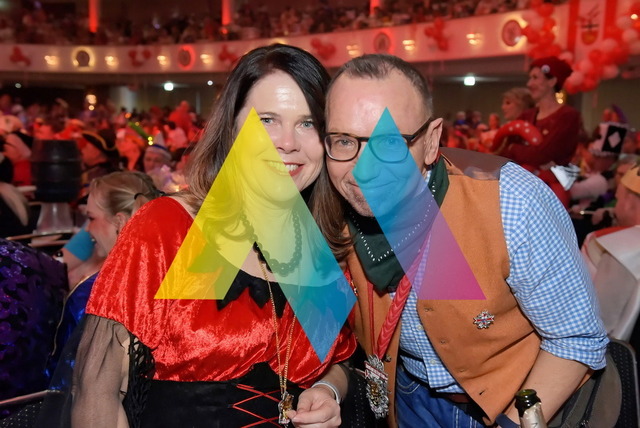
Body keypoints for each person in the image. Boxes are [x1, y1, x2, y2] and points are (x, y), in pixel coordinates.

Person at [67, 44, 354, 428]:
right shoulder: (170, 226)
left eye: (308, 123)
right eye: (267, 120)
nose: (287, 142)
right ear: (232, 128)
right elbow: (97, 392)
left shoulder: (316, 242)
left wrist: (329, 391)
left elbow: (338, 361)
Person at [322, 54, 608, 427]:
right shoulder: (335, 211)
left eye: (389, 143)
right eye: (344, 140)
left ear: (431, 141)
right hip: (404, 397)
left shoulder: (509, 201)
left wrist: (513, 424)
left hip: (510, 404)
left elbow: (576, 339)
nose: (364, 170)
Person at [46, 171, 160, 378]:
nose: (87, 230)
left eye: (91, 218)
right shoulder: (169, 272)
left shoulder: (94, 293)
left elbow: (64, 374)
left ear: (119, 221)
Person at [504, 57, 585, 207]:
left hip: (551, 192)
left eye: (535, 78)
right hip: (523, 189)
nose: (529, 84)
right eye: (530, 78)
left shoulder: (568, 116)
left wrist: (514, 149)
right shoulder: (527, 115)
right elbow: (504, 152)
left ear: (552, 81)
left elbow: (543, 154)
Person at [582, 163, 640, 341]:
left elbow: (598, 320)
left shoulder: (623, 248)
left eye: (619, 198)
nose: (615, 207)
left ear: (630, 202)